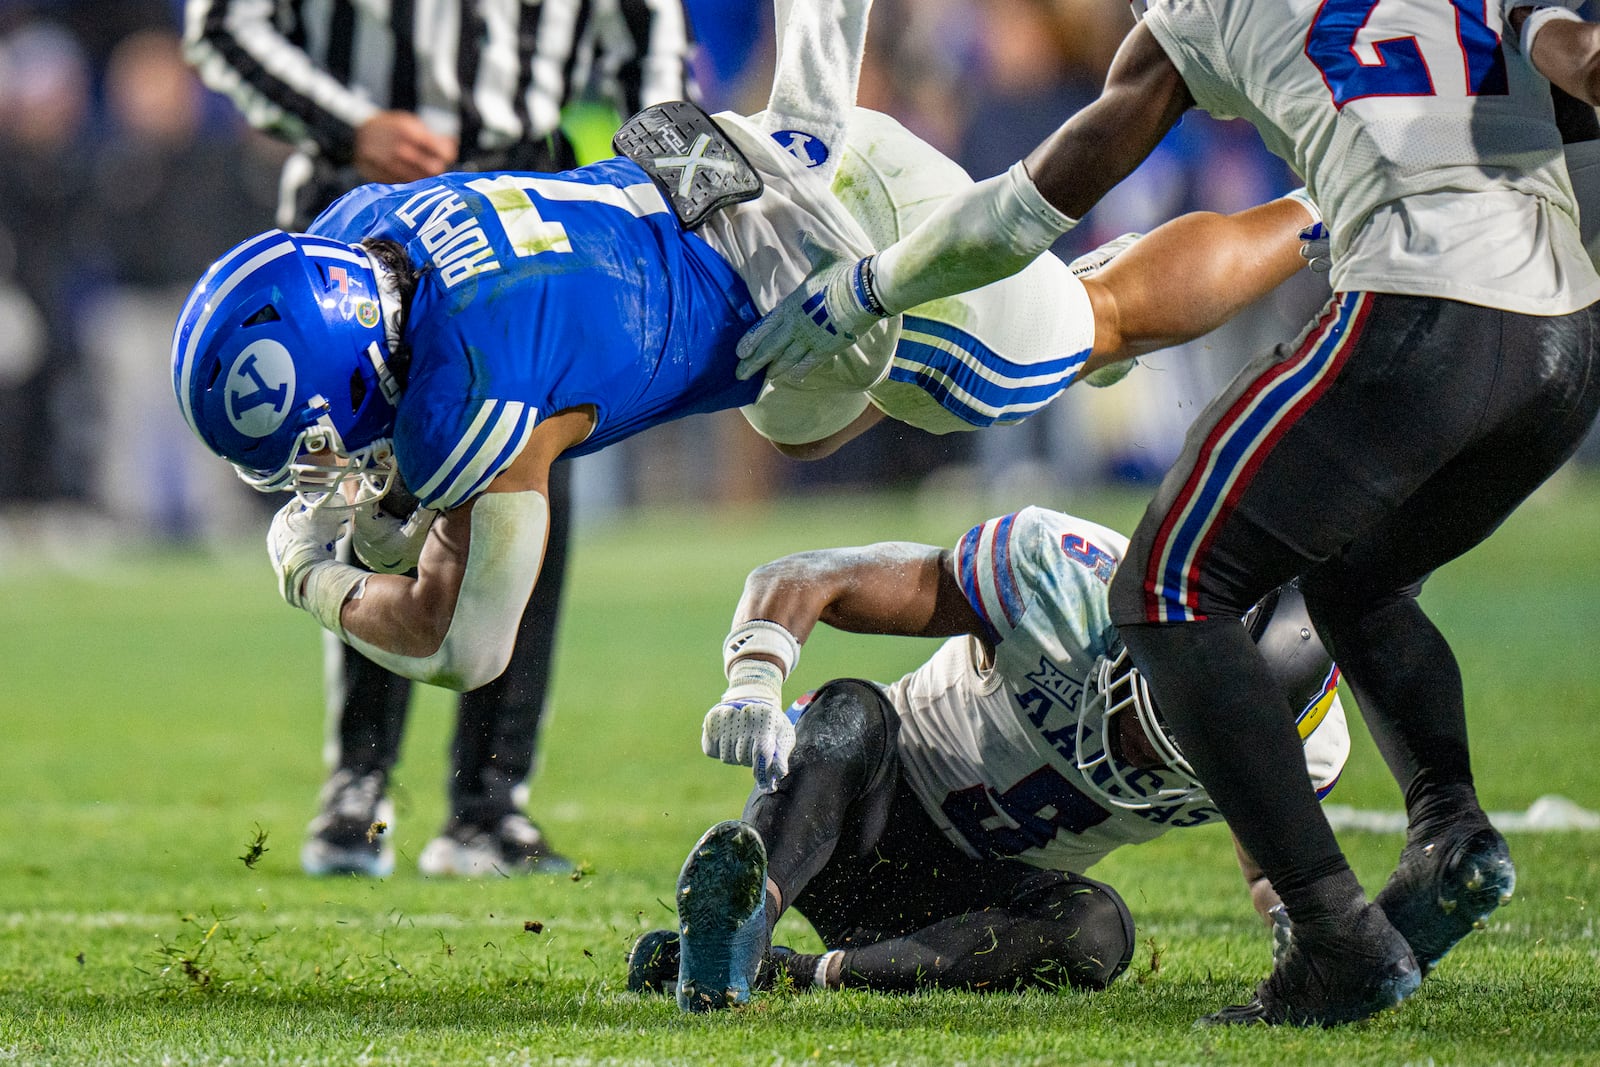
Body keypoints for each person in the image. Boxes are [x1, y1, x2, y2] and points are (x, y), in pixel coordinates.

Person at [738, 0, 1600, 1027]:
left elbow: (1028, 205)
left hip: (1418, 312)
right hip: (1563, 351)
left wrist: (871, 291)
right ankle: (1449, 826)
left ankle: (1333, 935)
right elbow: (1576, 70)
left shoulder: (1201, 12)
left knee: (1164, 587)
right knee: (1350, 578)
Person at [169, 0, 1320, 751]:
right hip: (756, 172)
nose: (325, 465)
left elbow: (462, 643)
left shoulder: (477, 395)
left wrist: (312, 578)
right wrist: (388, 506)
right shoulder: (378, 220)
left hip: (856, 250)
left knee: (1102, 318)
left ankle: (1325, 213)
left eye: (322, 438)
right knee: (801, 425)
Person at [183, 0, 693, 878]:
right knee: (365, 495)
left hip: (523, 205)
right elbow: (224, 24)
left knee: (523, 485)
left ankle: (490, 799)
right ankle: (360, 778)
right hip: (361, 216)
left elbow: (654, 43)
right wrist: (352, 125)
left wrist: (650, 192)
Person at [624, 506, 1349, 1012]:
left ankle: (786, 974)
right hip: (854, 817)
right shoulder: (1059, 579)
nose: (1136, 744)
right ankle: (743, 926)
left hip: (963, 908)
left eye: (1187, 739)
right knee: (847, 713)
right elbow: (813, 574)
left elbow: (1271, 871)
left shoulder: (1300, 751)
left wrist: (1301, 919)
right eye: (1151, 705)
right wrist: (756, 674)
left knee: (1097, 929)